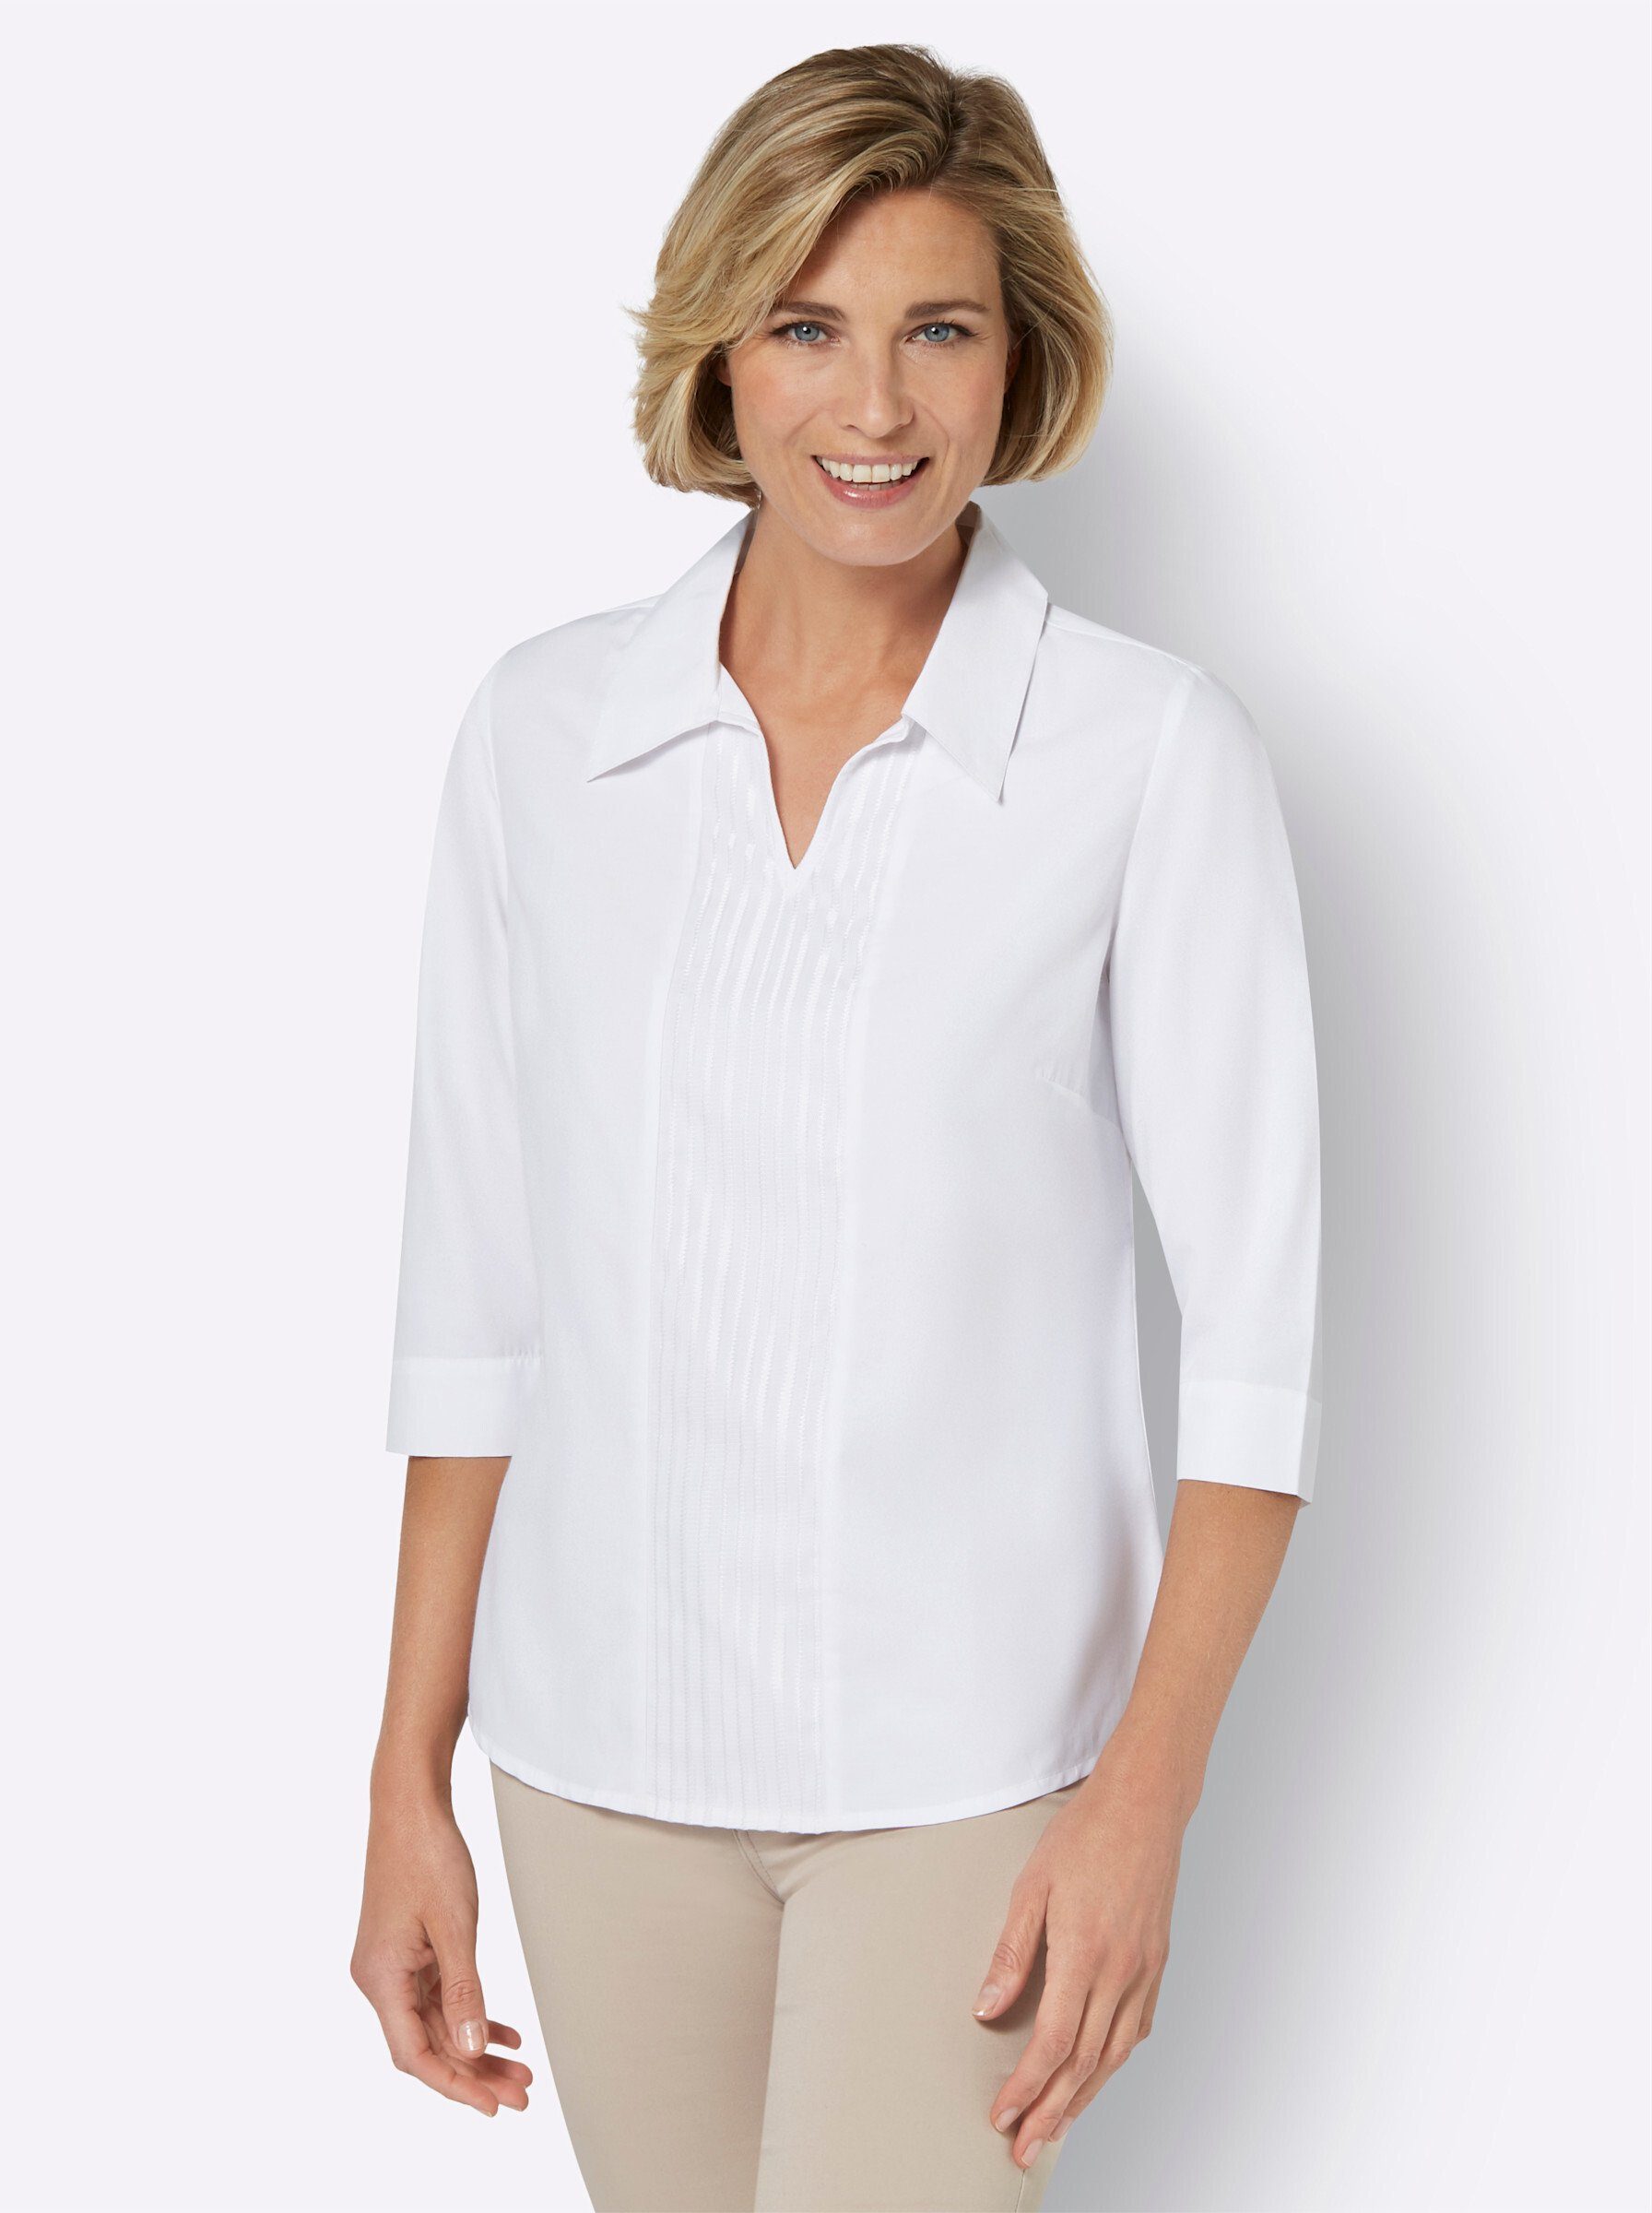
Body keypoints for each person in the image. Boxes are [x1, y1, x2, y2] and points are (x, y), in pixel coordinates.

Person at [350, 41, 1323, 2213]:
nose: (871, 405)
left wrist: (1142, 1802)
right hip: (593, 1765)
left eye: (936, 331)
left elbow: (1255, 1358)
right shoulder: (540, 738)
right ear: (720, 350)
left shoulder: (1145, 757)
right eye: (805, 327)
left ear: (1018, 358)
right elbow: (473, 1300)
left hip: (966, 1776)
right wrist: (407, 1774)